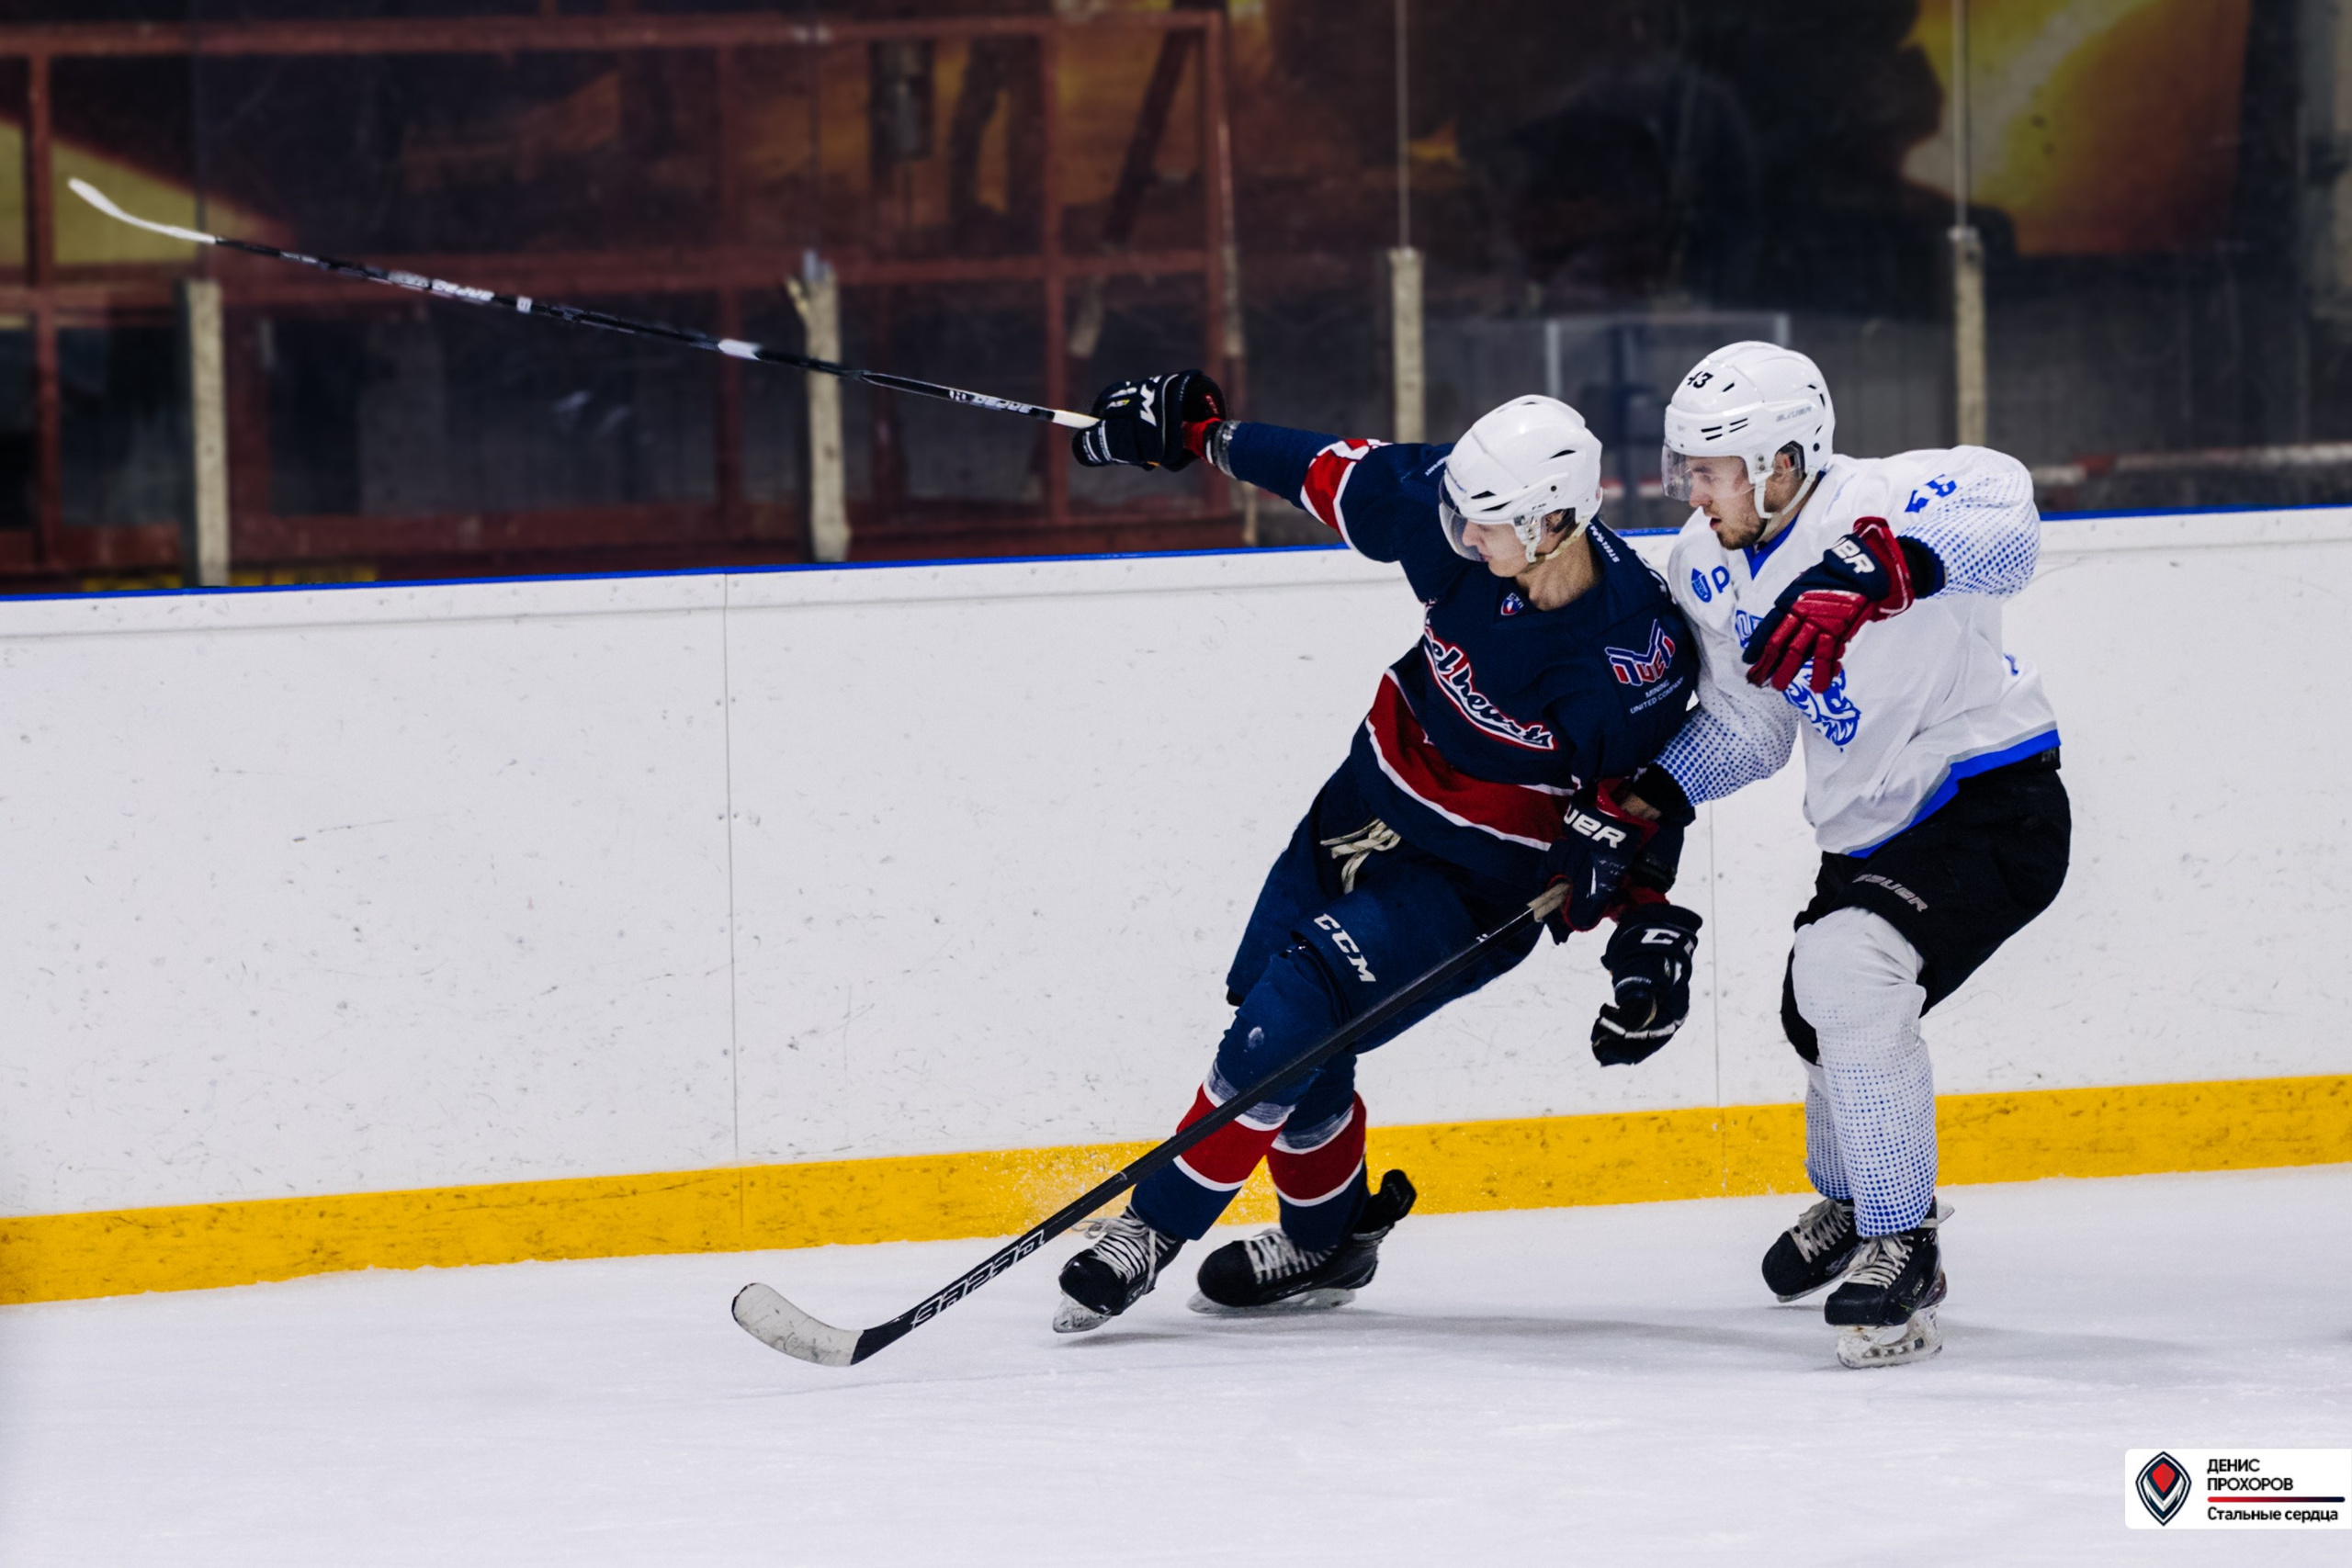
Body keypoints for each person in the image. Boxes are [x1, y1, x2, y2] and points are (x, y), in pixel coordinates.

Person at [1048, 370, 1703, 1334]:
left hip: (1474, 885)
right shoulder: (1453, 509)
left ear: (1555, 522)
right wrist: (1199, 434)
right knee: (1275, 1019)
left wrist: (1644, 927)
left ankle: (1150, 1227)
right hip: (1359, 805)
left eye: (1486, 525)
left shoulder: (1627, 660)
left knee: (1295, 1005)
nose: (1460, 535)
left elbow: (1642, 804)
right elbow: (1330, 471)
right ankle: (1326, 1241)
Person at [1618, 340, 2067, 1368]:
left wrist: (1888, 568)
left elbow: (2011, 525)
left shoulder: (1882, 499)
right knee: (1810, 1011)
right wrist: (1649, 796)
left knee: (1846, 971)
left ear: (1781, 461)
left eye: (1709, 470)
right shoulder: (1704, 562)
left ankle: (1904, 1242)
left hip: (1991, 797)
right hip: (1869, 829)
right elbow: (1754, 726)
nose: (1692, 491)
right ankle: (1859, 1199)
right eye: (1685, 468)